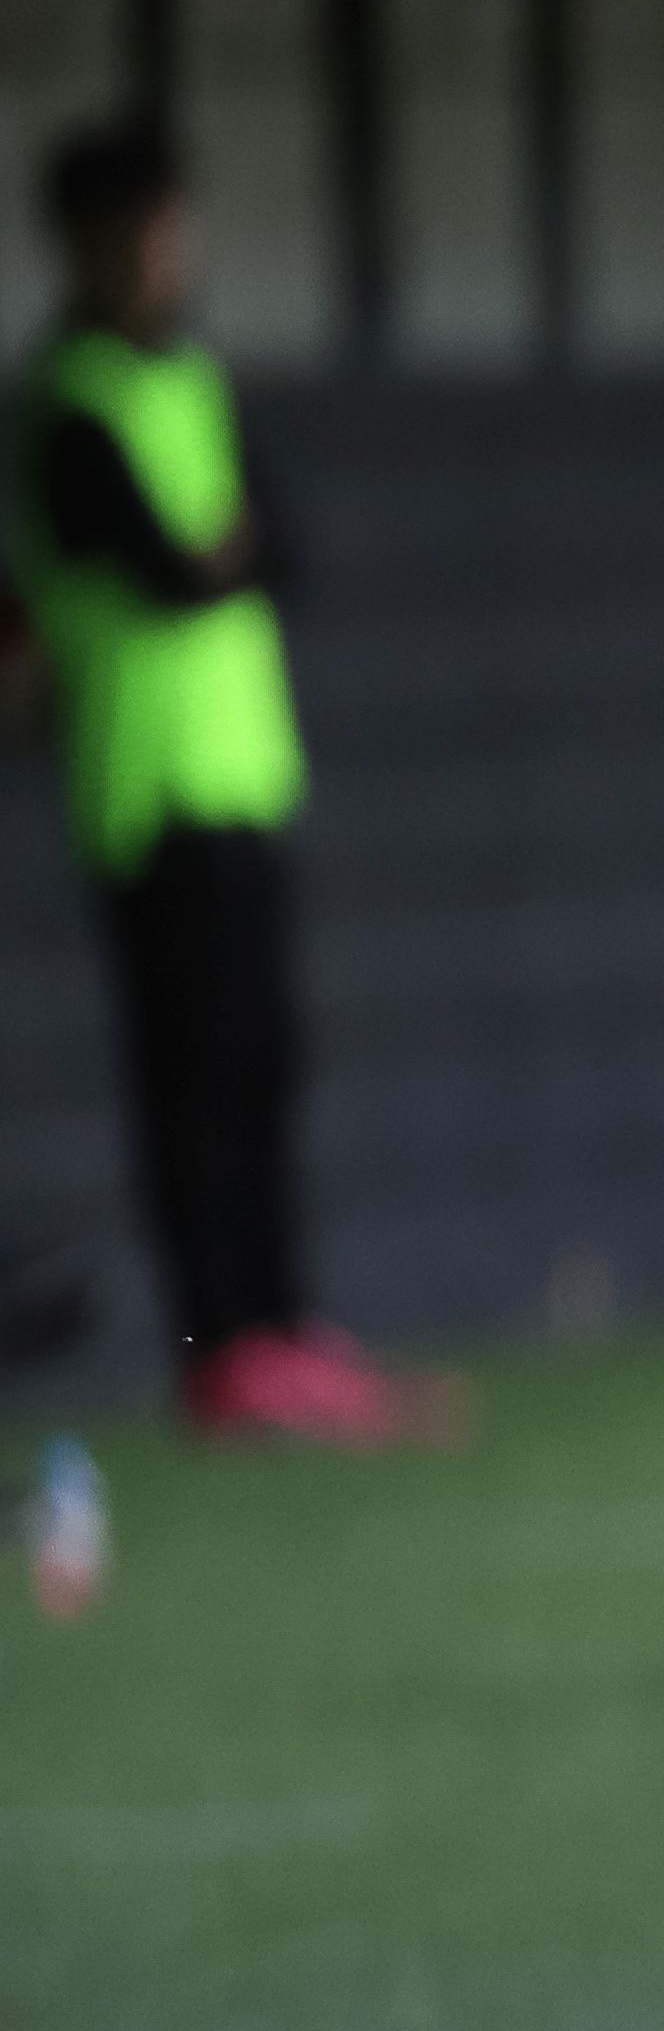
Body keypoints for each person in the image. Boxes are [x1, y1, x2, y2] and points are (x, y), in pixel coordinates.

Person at [10, 125, 438, 1446]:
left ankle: (282, 1329)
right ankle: (216, 1352)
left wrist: (228, 550)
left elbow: (285, 543)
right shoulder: (65, 402)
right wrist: (220, 550)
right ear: (88, 242)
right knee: (188, 1079)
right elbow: (169, 567)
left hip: (247, 771)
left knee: (265, 1062)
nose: (166, 256)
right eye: (145, 231)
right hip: (142, 787)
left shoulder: (198, 381)